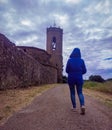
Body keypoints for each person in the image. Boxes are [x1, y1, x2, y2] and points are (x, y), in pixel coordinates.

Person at [66, 48, 87, 115]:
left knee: (72, 93)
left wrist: (72, 72)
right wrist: (79, 73)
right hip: (79, 78)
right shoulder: (82, 61)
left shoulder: (69, 60)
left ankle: (74, 107)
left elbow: (66, 70)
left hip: (71, 78)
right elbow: (85, 71)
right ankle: (82, 105)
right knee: (80, 92)